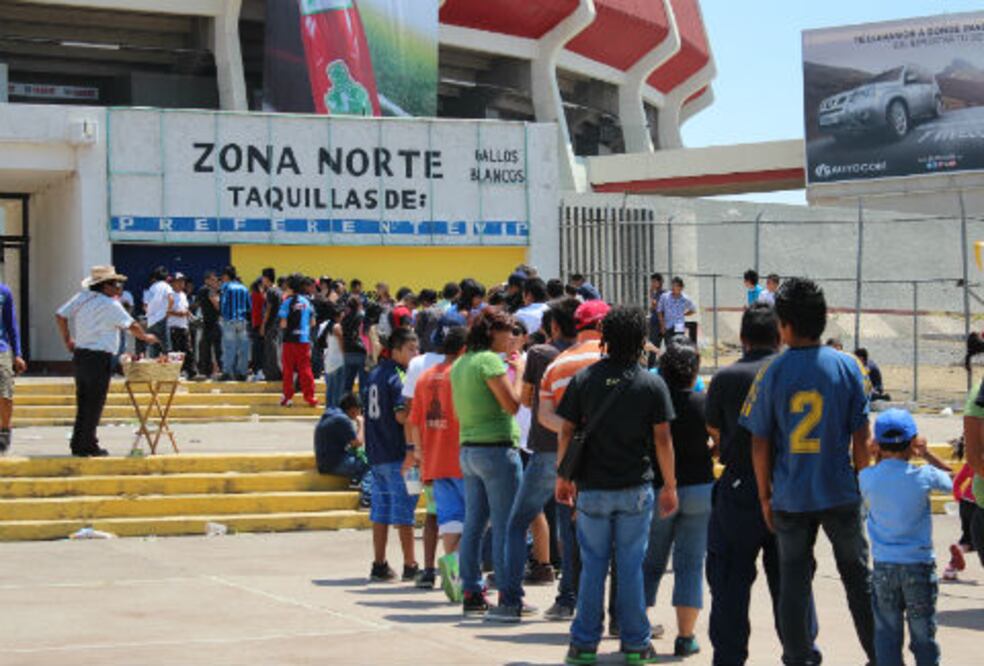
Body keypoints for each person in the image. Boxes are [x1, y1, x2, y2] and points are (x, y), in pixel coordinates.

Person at [741, 277, 875, 666]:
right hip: (840, 491)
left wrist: (765, 494)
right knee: (859, 579)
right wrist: (861, 478)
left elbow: (759, 440)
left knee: (794, 584)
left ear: (783, 325)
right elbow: (861, 432)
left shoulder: (772, 371)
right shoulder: (849, 367)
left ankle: (798, 658)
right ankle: (880, 654)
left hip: (790, 495)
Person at [555, 305, 678, 665]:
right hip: (635, 489)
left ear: (605, 338)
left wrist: (562, 477)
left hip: (591, 488)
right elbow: (663, 440)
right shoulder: (651, 383)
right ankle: (636, 643)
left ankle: (583, 644)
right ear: (642, 341)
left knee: (592, 566)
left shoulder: (585, 379)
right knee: (630, 566)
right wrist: (670, 485)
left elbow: (566, 430)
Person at [705, 304, 818, 666]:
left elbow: (715, 430)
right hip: (790, 487)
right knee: (792, 584)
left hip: (740, 487)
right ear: (780, 335)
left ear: (742, 338)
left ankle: (730, 657)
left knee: (730, 583)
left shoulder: (726, 378)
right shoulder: (795, 374)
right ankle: (801, 654)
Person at [495, 298, 580, 622]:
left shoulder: (542, 354)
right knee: (569, 525)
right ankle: (568, 597)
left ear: (554, 326)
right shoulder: (586, 356)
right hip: (578, 448)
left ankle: (511, 599)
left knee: (518, 521)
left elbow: (527, 400)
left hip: (546, 447)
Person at [860, 409, 952, 666]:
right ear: (914, 442)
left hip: (884, 568)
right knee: (923, 637)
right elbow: (955, 482)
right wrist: (928, 455)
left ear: (876, 444)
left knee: (887, 636)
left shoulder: (867, 478)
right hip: (918, 565)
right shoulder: (924, 476)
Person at [643, 340, 714, 657]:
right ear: (694, 370)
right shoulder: (703, 402)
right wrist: (708, 451)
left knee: (650, 561)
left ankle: (637, 630)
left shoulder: (652, 402)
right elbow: (721, 440)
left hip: (659, 489)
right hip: (700, 487)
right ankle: (686, 637)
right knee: (690, 564)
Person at [450, 308, 523, 616]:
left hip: (469, 450)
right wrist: (518, 372)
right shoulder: (490, 362)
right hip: (496, 450)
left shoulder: (461, 363)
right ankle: (508, 595)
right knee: (506, 526)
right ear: (493, 332)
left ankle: (471, 591)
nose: (514, 339)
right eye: (509, 332)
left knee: (474, 524)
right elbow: (512, 405)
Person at [55, 266, 158, 457]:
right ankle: (88, 445)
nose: (119, 287)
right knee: (94, 402)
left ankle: (79, 442)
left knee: (84, 401)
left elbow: (60, 315)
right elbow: (132, 325)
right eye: (115, 284)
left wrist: (67, 339)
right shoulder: (110, 304)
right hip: (98, 357)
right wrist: (146, 338)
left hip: (81, 354)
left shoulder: (81, 298)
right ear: (106, 286)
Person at [409, 326, 468, 602]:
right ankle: (462, 576)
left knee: (450, 523)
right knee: (478, 522)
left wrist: (419, 455)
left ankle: (456, 582)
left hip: (434, 462)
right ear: (464, 350)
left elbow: (414, 422)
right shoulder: (462, 376)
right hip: (463, 459)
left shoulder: (424, 378)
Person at [365, 327, 420, 583]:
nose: (416, 353)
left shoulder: (375, 373)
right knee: (404, 512)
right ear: (396, 350)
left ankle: (379, 563)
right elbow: (401, 415)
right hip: (398, 453)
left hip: (377, 453)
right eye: (411, 349)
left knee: (381, 512)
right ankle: (410, 564)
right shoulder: (399, 376)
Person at [401, 314, 448, 589]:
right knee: (463, 516)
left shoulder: (418, 364)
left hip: (427, 450)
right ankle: (459, 574)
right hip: (455, 449)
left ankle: (429, 568)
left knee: (432, 513)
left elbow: (409, 412)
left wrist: (412, 449)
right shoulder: (463, 364)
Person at [314, 392, 371, 507]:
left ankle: (355, 480)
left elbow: (351, 444)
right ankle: (367, 499)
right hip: (333, 464)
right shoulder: (342, 420)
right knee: (371, 462)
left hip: (325, 461)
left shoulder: (332, 414)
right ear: (354, 409)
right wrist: (361, 424)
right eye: (360, 410)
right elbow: (358, 442)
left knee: (360, 454)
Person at [278, 274, 318, 408]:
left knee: (288, 369)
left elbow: (283, 324)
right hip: (304, 340)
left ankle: (288, 397)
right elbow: (313, 323)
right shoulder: (307, 302)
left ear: (290, 287)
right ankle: (310, 397)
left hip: (289, 340)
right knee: (305, 369)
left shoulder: (287, 302)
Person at [943, 441, 977, 580]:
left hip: (965, 503)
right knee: (976, 540)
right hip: (979, 506)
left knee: (967, 538)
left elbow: (957, 481)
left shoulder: (972, 463)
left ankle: (950, 569)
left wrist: (958, 498)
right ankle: (959, 552)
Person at [0, 280, 25, 454]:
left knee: (5, 391)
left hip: (1, 349)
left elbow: (11, 325)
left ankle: (4, 430)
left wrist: (17, 354)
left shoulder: (4, 292)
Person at [219, 266, 251, 381]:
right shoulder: (244, 288)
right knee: (243, 348)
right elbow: (249, 306)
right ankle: (242, 373)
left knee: (229, 348)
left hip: (229, 320)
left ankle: (227, 372)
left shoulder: (226, 287)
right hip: (242, 321)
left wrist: (223, 316)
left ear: (227, 276)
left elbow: (223, 304)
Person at [194, 271, 223, 378]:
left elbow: (196, 304)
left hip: (207, 322)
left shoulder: (202, 290)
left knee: (205, 348)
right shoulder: (209, 290)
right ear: (207, 280)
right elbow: (216, 304)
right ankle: (220, 369)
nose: (215, 281)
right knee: (218, 348)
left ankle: (205, 371)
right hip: (213, 322)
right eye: (212, 279)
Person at [318, 302, 346, 408]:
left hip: (329, 360)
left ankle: (329, 410)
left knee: (330, 388)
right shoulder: (337, 327)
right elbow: (341, 345)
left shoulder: (326, 325)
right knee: (338, 390)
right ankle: (335, 410)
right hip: (338, 361)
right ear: (338, 315)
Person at [341, 296, 368, 401]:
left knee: (347, 384)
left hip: (348, 351)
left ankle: (345, 406)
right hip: (361, 352)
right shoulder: (362, 316)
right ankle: (362, 408)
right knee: (363, 384)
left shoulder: (345, 318)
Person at [166, 273, 194, 377]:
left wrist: (190, 315)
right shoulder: (170, 295)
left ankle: (191, 372)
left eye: (183, 281)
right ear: (172, 283)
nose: (182, 283)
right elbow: (166, 311)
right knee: (175, 352)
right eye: (179, 281)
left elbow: (186, 309)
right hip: (173, 327)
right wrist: (179, 314)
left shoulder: (183, 295)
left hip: (184, 327)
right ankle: (175, 373)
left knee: (188, 350)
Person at [144, 266, 173, 358]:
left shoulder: (151, 288)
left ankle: (153, 370)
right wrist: (168, 311)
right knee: (166, 348)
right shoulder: (166, 286)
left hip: (151, 321)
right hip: (162, 319)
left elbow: (145, 305)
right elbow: (171, 299)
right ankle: (166, 370)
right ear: (167, 277)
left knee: (153, 347)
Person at [657, 277, 696, 344]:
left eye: (675, 286)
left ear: (681, 287)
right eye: (672, 285)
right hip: (668, 326)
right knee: (669, 347)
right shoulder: (665, 297)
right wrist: (662, 325)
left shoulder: (685, 299)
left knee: (679, 347)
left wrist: (684, 314)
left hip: (679, 327)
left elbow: (693, 310)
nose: (673, 287)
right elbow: (659, 310)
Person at [260, 269, 283, 382]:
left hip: (271, 325)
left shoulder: (270, 291)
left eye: (263, 278)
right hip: (278, 325)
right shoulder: (279, 291)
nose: (262, 280)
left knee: (270, 350)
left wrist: (263, 325)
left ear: (267, 278)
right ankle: (277, 373)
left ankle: (272, 375)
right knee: (276, 349)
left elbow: (268, 309)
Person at [413, 289, 442, 354]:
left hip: (426, 350)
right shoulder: (443, 311)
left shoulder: (424, 313)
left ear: (425, 301)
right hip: (440, 350)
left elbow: (417, 333)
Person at [249, 277, 266, 380]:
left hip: (255, 324)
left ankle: (256, 369)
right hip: (260, 325)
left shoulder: (253, 295)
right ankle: (258, 370)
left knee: (256, 348)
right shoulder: (260, 296)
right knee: (260, 349)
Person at [648, 273, 666, 353]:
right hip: (654, 323)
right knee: (653, 346)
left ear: (660, 282)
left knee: (659, 345)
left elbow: (659, 309)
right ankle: (651, 364)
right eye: (652, 282)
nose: (652, 284)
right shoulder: (655, 294)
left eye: (654, 282)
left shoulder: (664, 294)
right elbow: (653, 308)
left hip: (661, 323)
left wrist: (662, 325)